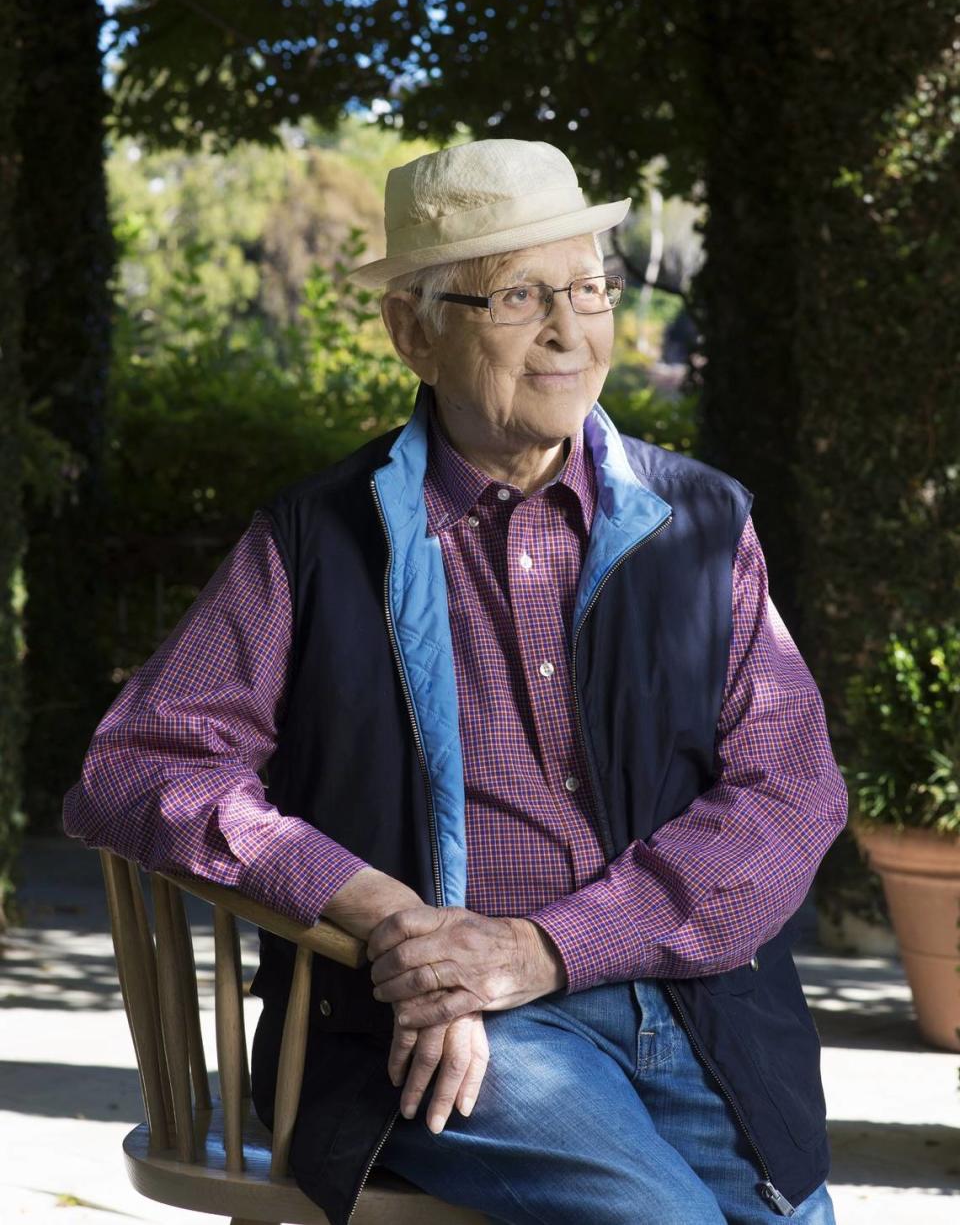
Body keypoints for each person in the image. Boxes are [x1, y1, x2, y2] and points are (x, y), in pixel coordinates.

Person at [63, 138, 847, 1225]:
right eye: (519, 294)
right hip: (437, 1028)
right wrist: (392, 922)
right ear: (412, 331)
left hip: (694, 1001)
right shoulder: (316, 538)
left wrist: (542, 949)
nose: (572, 330)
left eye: (587, 286)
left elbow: (791, 788)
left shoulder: (704, 523)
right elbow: (140, 766)